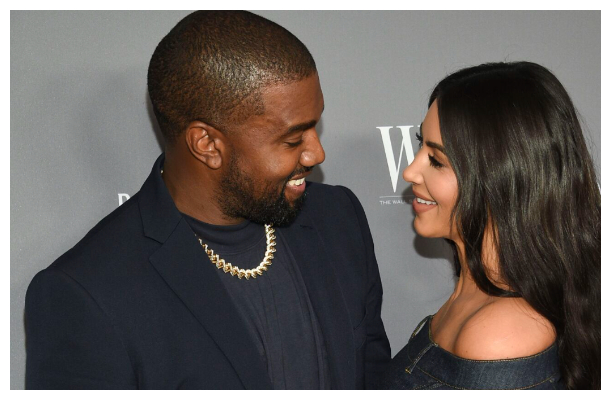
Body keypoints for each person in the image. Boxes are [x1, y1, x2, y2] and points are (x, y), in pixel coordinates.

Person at [25, 11, 390, 389]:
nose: (316, 153)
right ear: (207, 145)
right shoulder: (87, 295)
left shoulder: (338, 218)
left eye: (315, 126)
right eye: (293, 139)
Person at [379, 61, 601, 390]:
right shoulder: (477, 298)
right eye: (420, 145)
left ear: (500, 181)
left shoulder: (501, 334)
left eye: (437, 160)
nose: (410, 172)